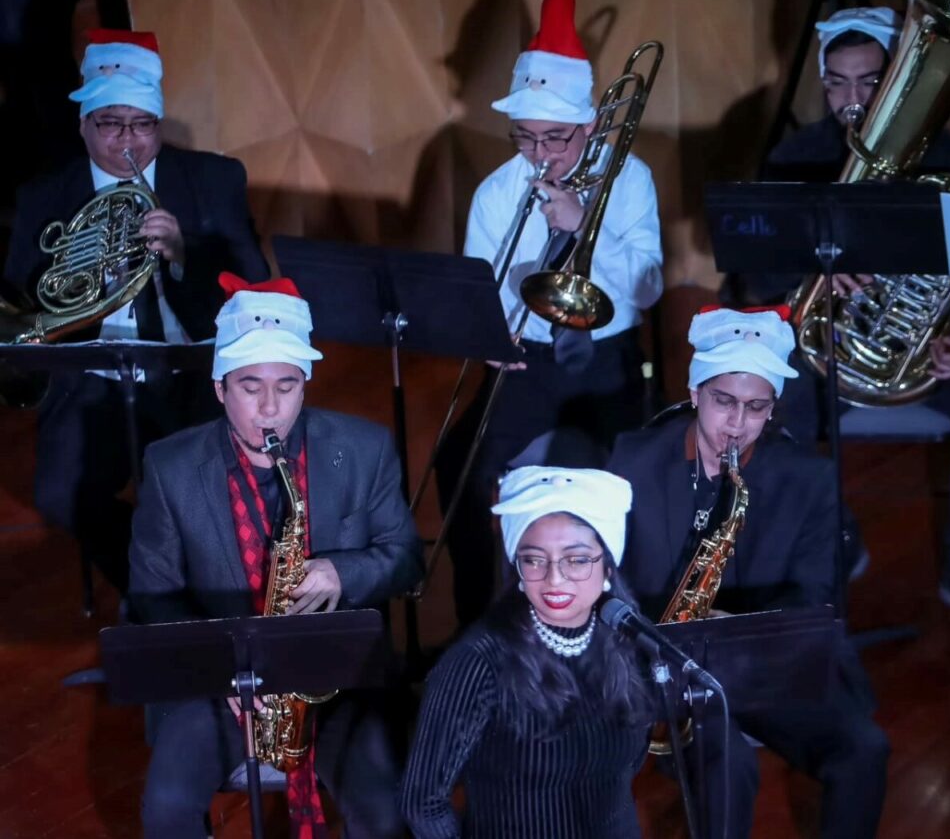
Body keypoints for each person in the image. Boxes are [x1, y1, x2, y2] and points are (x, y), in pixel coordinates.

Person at [738, 6, 950, 630]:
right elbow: (757, 275)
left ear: (894, 81)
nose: (853, 100)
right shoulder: (795, 156)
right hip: (827, 341)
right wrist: (816, 275)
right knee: (779, 410)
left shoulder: (943, 150)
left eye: (869, 81)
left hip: (919, 344)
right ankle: (835, 540)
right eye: (838, 83)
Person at [128, 276, 422, 838]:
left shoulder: (365, 448)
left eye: (287, 387)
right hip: (221, 685)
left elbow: (407, 558)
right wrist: (222, 674)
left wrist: (343, 571)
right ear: (219, 388)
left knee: (384, 813)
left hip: (338, 679)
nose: (270, 409)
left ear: (305, 384)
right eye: (250, 387)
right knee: (165, 807)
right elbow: (153, 596)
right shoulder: (169, 466)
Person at [435, 0, 663, 628]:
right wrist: (489, 335)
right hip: (526, 362)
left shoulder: (630, 178)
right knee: (460, 469)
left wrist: (582, 224)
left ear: (588, 128)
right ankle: (483, 626)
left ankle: (623, 623)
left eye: (555, 139)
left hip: (607, 358)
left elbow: (648, 287)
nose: (540, 154)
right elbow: (480, 287)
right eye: (526, 138)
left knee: (627, 487)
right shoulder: (496, 192)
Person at [609, 306, 890, 839]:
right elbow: (607, 579)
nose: (737, 425)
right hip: (667, 671)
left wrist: (735, 629)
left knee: (865, 750)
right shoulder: (631, 462)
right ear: (695, 393)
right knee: (729, 766)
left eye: (756, 407)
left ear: (772, 408)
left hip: (767, 667)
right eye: (723, 401)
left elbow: (814, 596)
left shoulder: (809, 480)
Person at [4, 28, 268, 596]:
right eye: (110, 124)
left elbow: (257, 287)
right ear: (83, 125)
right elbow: (22, 296)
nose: (128, 141)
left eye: (142, 125)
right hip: (92, 374)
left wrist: (183, 257)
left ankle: (196, 587)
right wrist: (85, 277)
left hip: (189, 371)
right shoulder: (43, 196)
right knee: (59, 494)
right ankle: (154, 594)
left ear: (159, 124)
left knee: (203, 491)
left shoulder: (214, 180)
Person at [401, 466, 656, 838]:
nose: (555, 578)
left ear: (607, 567)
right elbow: (423, 801)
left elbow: (629, 766)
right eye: (534, 559)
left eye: (576, 559)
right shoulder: (478, 662)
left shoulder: (629, 642)